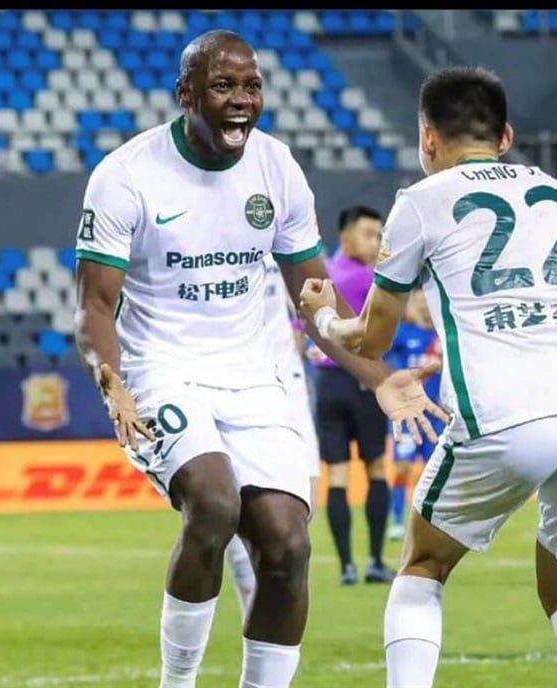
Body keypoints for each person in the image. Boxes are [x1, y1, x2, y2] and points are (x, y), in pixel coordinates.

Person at [73, 29, 447, 688]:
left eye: (253, 86)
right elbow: (95, 308)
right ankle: (178, 683)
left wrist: (377, 375)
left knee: (288, 546)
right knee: (214, 504)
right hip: (162, 369)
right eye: (224, 86)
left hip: (256, 376)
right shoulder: (126, 177)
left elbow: (315, 298)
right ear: (186, 93)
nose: (242, 100)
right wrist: (112, 383)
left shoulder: (275, 167)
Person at [300, 65, 557, 688]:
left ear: (428, 138)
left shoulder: (421, 202)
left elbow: (372, 337)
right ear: (505, 137)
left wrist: (322, 318)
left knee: (423, 565)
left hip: (505, 408)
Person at [300, 206, 396, 585]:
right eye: (369, 235)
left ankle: (346, 568)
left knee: (337, 475)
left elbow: (301, 328)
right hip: (362, 382)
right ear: (346, 237)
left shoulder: (318, 277)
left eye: (379, 236)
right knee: (376, 468)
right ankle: (375, 561)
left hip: (327, 384)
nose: (376, 243)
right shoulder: (370, 278)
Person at [224, 254, 322, 622]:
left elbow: (309, 299)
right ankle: (258, 622)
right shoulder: (208, 246)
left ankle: (269, 620)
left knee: (303, 508)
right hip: (234, 384)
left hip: (289, 384)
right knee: (241, 509)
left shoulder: (280, 242)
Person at [385, 289, 443, 541]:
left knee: (435, 471)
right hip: (408, 415)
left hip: (438, 417)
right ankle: (397, 521)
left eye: (427, 303)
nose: (424, 308)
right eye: (419, 303)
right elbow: (380, 357)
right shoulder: (403, 334)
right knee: (403, 467)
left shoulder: (443, 336)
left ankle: (432, 522)